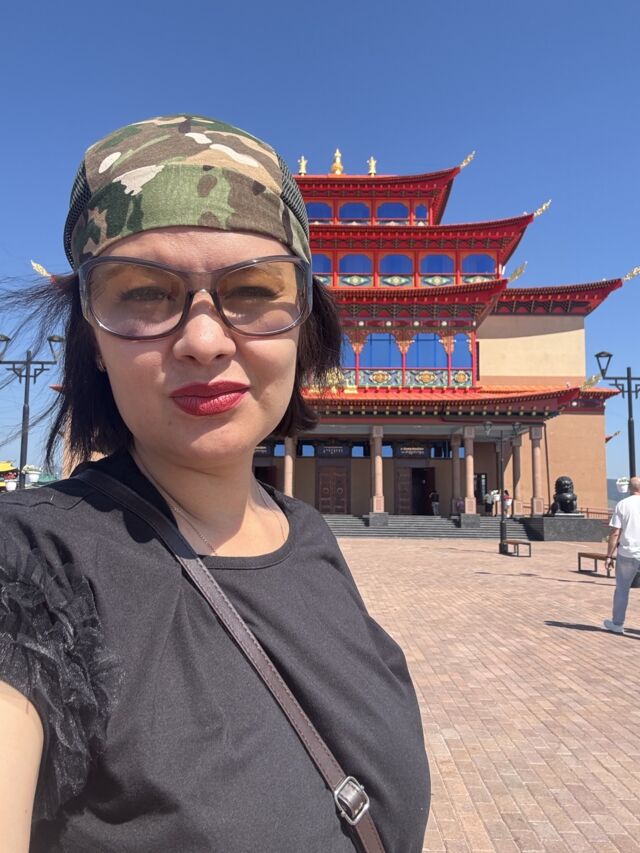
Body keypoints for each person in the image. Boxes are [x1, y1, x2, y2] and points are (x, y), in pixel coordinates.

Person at [0, 115, 429, 852]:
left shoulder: (308, 536)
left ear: (304, 324)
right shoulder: (32, 562)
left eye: (254, 288)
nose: (204, 340)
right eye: (143, 292)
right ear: (92, 339)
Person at [603, 475, 640, 635]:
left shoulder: (623, 504)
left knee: (622, 589)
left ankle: (618, 623)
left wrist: (609, 556)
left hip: (627, 553)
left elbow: (615, 532)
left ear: (630, 488)